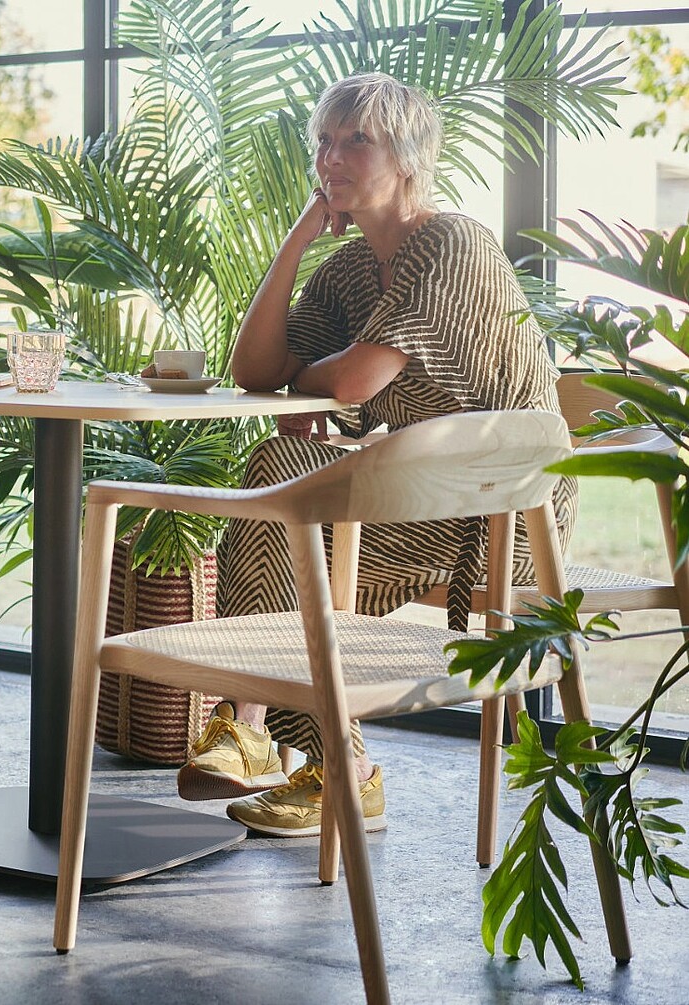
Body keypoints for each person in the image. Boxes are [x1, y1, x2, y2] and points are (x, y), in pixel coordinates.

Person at [174, 72, 576, 837]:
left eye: (357, 139)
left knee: (286, 500)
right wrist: (299, 234)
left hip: (506, 510)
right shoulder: (350, 269)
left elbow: (356, 378)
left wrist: (310, 378)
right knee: (278, 476)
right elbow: (254, 371)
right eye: (325, 141)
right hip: (420, 496)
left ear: (410, 156)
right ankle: (313, 754)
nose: (333, 156)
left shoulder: (453, 242)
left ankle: (276, 735)